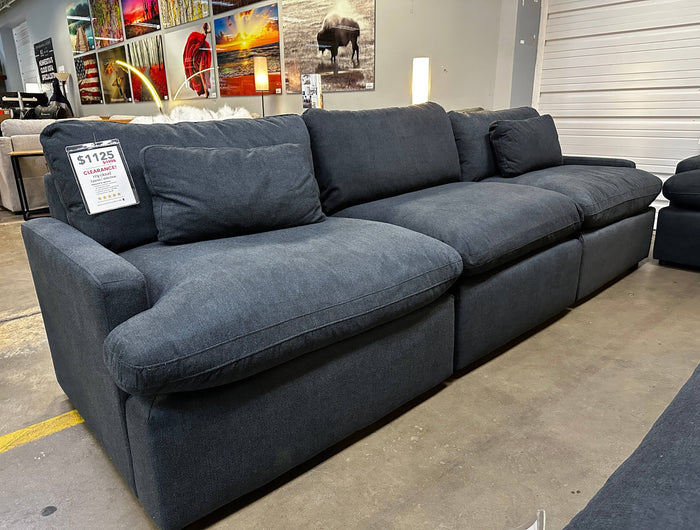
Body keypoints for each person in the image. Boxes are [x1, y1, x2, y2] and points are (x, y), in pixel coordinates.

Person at [183, 23, 212, 97]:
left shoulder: (201, 55)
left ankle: (205, 30)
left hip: (194, 46)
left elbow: (201, 74)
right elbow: (201, 74)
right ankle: (205, 30)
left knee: (200, 70)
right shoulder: (201, 55)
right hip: (193, 44)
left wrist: (206, 91)